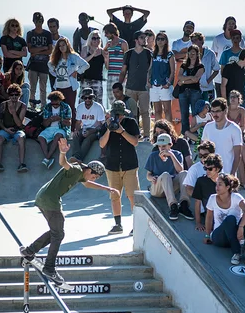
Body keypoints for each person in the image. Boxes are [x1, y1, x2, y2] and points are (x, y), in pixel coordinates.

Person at [20, 138, 119, 284]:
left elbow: (87, 184)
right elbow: (63, 163)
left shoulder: (81, 175)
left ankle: (30, 250)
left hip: (45, 198)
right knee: (58, 234)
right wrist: (62, 152)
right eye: (95, 176)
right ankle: (49, 267)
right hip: (50, 200)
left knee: (56, 232)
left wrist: (107, 189)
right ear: (89, 170)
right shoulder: (76, 170)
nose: (94, 179)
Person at [99, 100, 140, 235]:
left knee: (132, 196)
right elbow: (102, 144)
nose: (119, 117)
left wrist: (122, 131)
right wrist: (109, 129)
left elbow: (135, 142)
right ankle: (118, 224)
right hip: (112, 166)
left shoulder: (131, 123)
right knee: (115, 196)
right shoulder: (107, 124)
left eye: (121, 115)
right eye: (117, 115)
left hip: (129, 165)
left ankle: (137, 225)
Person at [204, 173, 245, 265]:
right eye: (216, 184)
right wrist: (207, 235)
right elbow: (209, 217)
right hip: (219, 237)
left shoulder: (236, 197)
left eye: (220, 184)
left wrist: (241, 227)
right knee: (230, 219)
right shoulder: (212, 198)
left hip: (235, 236)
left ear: (227, 187)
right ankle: (236, 253)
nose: (217, 187)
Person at [145, 133, 193, 221]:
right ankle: (173, 206)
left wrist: (171, 155)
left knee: (185, 173)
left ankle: (184, 204)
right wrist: (152, 178)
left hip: (171, 187)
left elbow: (180, 171)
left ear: (170, 145)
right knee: (165, 175)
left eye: (164, 146)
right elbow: (148, 175)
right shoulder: (153, 156)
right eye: (159, 146)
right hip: (158, 188)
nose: (162, 149)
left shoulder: (177, 154)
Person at [48, 36, 89, 131]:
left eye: (63, 45)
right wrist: (55, 73)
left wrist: (77, 72)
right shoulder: (56, 57)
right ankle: (60, 127)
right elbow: (49, 65)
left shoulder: (73, 56)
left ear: (67, 45)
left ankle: (72, 129)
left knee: (70, 107)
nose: (62, 47)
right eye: (60, 46)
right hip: (58, 86)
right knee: (59, 107)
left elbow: (86, 65)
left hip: (70, 86)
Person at [119, 30, 152, 140]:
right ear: (136, 40)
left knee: (145, 112)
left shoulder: (148, 53)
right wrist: (119, 85)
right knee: (132, 113)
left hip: (144, 88)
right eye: (142, 37)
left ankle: (147, 135)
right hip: (130, 88)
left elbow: (151, 71)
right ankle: (134, 134)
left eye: (145, 38)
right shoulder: (128, 54)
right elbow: (123, 71)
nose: (145, 39)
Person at [0, 84, 27, 174]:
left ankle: (22, 163)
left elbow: (19, 124)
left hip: (17, 129)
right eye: (12, 95)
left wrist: (14, 112)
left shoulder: (23, 106)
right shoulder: (3, 105)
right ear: (9, 95)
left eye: (16, 95)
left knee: (21, 138)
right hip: (5, 129)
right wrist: (5, 129)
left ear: (19, 95)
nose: (14, 97)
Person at [202, 97, 242, 175]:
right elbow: (203, 151)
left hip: (227, 173)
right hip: (210, 173)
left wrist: (232, 174)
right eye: (212, 111)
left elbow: (238, 156)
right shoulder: (208, 127)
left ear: (225, 111)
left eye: (218, 111)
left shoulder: (235, 129)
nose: (214, 114)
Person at [211, 16, 245, 98]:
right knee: (221, 99)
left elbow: (243, 56)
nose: (231, 25)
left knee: (235, 99)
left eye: (233, 24)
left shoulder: (240, 40)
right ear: (225, 25)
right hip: (220, 75)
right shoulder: (218, 39)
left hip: (235, 76)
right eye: (229, 23)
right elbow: (214, 56)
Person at [174, 44, 204, 135]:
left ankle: (195, 134)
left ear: (197, 54)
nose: (191, 55)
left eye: (193, 53)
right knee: (184, 114)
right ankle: (185, 134)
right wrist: (190, 77)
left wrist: (184, 80)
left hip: (195, 92)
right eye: (190, 53)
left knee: (195, 114)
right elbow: (179, 76)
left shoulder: (200, 66)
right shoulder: (184, 65)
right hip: (183, 92)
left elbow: (196, 79)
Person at [38, 91, 71, 169]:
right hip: (49, 129)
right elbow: (45, 124)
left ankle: (47, 158)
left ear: (60, 100)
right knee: (40, 137)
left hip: (61, 128)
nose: (55, 105)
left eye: (57, 104)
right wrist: (50, 120)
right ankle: (48, 158)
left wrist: (60, 119)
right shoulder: (47, 107)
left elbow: (69, 123)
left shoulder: (66, 107)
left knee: (58, 136)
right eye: (53, 104)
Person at [70, 88, 105, 162]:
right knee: (75, 136)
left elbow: (100, 125)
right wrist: (76, 130)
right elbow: (78, 122)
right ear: (83, 98)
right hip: (84, 129)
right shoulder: (80, 107)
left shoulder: (98, 107)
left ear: (93, 98)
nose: (87, 99)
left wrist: (90, 132)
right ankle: (76, 157)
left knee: (87, 140)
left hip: (95, 130)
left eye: (90, 97)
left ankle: (79, 159)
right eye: (85, 98)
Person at [26, 12, 53, 108]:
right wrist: (43, 48)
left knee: (43, 88)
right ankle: (32, 106)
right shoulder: (30, 33)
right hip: (33, 65)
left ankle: (43, 107)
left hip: (44, 65)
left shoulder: (47, 34)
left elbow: (50, 50)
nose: (39, 23)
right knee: (32, 88)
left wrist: (36, 52)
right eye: (37, 21)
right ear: (33, 21)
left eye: (40, 21)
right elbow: (30, 50)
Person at [227, 90, 245, 187]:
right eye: (231, 97)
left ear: (239, 99)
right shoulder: (226, 109)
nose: (233, 99)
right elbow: (225, 125)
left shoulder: (241, 110)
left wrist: (236, 132)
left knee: (242, 153)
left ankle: (243, 181)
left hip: (238, 134)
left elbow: (243, 126)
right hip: (228, 135)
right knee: (243, 149)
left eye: (235, 97)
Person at [192, 153, 223, 230]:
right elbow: (197, 202)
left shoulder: (226, 180)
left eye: (210, 169)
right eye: (205, 169)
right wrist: (198, 223)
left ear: (217, 169)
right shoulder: (201, 181)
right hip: (211, 218)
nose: (207, 171)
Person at [149, 31, 175, 122]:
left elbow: (173, 71)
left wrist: (168, 83)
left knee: (167, 110)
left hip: (165, 85)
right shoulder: (153, 54)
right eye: (158, 39)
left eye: (162, 39)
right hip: (154, 85)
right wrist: (148, 81)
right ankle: (158, 130)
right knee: (157, 111)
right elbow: (150, 69)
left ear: (166, 41)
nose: (160, 41)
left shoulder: (169, 54)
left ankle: (169, 131)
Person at [103, 23, 128, 107]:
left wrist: (125, 76)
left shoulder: (123, 43)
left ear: (111, 32)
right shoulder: (108, 44)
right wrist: (105, 57)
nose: (105, 35)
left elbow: (127, 61)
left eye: (106, 33)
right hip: (110, 74)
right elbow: (107, 65)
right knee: (111, 97)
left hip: (120, 75)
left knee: (121, 96)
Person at [191, 32, 219, 103]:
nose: (193, 42)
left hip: (208, 88)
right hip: (195, 89)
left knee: (209, 111)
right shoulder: (190, 54)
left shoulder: (210, 53)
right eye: (192, 41)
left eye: (195, 40)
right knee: (196, 110)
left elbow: (216, 69)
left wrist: (208, 81)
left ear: (201, 41)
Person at [80, 30, 107, 104]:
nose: (96, 40)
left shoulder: (102, 51)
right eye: (94, 38)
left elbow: (107, 67)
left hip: (97, 79)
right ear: (90, 39)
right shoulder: (85, 49)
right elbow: (82, 62)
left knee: (98, 101)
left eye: (98, 38)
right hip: (86, 79)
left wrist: (106, 58)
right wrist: (92, 55)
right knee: (84, 100)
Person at [47, 18, 61, 90]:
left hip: (63, 70)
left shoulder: (64, 39)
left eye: (54, 26)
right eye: (50, 27)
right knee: (54, 92)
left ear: (58, 27)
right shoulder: (47, 41)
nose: (52, 29)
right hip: (51, 71)